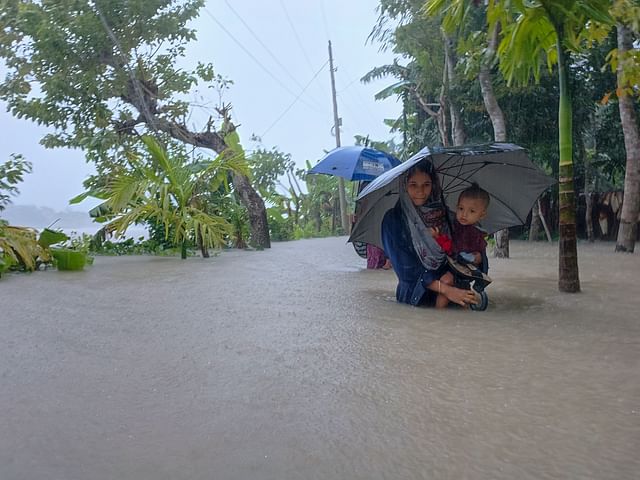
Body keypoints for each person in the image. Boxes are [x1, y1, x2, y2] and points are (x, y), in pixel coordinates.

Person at [381, 160, 478, 309]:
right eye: (413, 185)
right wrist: (447, 290)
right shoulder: (393, 220)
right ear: (404, 186)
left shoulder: (448, 216)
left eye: (426, 185)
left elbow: (463, 252)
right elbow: (406, 271)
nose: (420, 191)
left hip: (455, 294)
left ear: (433, 185)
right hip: (416, 298)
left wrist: (475, 257)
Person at [451, 183, 490, 269]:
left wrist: (477, 258)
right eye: (461, 208)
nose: (464, 214)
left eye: (472, 211)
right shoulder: (451, 224)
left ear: (482, 215)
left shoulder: (477, 233)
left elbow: (480, 258)